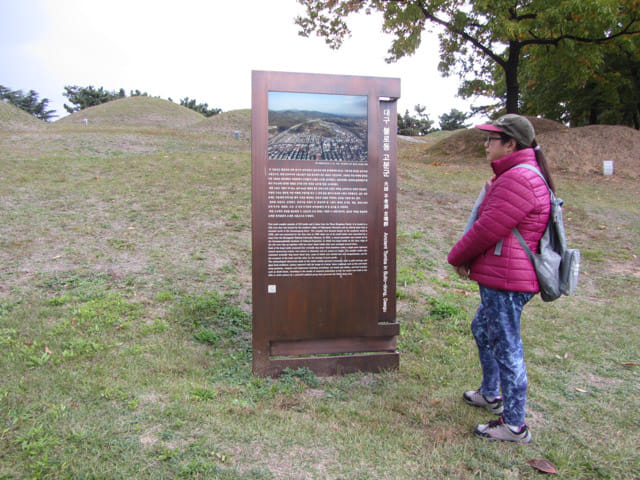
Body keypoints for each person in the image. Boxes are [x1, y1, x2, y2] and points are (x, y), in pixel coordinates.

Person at [447, 114, 555, 443]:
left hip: (507, 280)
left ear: (510, 144)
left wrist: (457, 257)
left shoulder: (519, 179)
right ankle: (490, 393)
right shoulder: (515, 175)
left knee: (507, 347)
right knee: (483, 329)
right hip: (503, 275)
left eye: (492, 139)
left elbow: (487, 229)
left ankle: (514, 424)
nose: (486, 144)